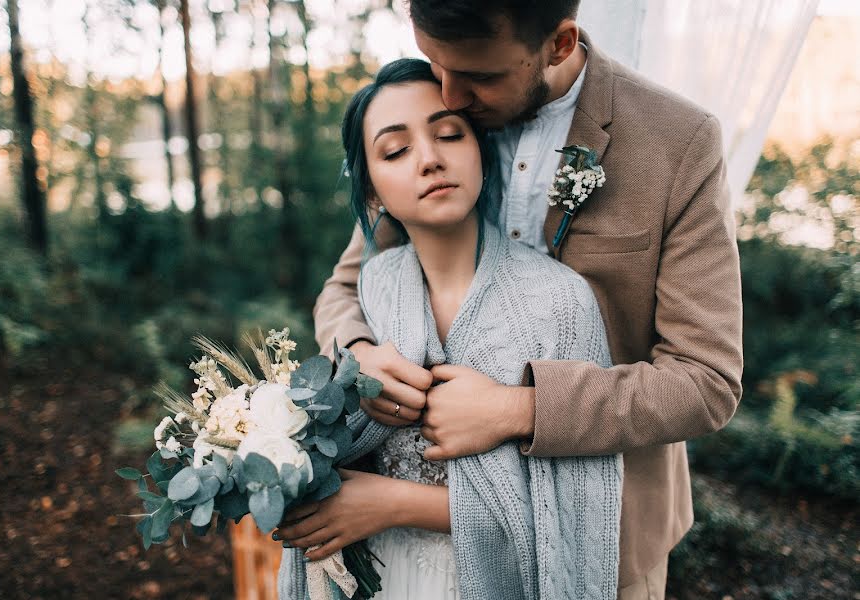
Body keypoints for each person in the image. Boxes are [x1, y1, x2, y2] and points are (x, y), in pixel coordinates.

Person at [312, 1, 744, 598]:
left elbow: (706, 381)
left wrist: (520, 411)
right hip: (424, 536)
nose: (454, 96)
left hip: (604, 525)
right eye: (438, 64)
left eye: (481, 77)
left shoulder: (677, 142)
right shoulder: (436, 117)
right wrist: (358, 352)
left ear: (559, 45)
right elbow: (347, 286)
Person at [276, 58, 622, 600]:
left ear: (483, 155)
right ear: (372, 193)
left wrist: (391, 503)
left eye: (449, 135)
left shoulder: (560, 301)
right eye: (396, 150)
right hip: (383, 576)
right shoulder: (378, 288)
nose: (430, 159)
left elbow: (574, 512)